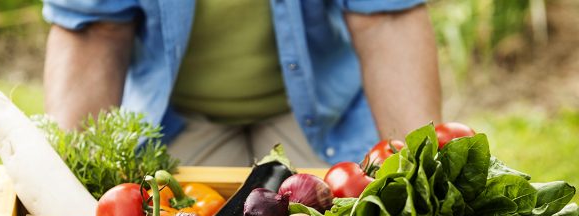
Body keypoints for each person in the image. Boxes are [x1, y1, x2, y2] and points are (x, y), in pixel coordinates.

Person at [42, 0, 442, 168]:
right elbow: (95, 30)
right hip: (175, 117)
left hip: (323, 113)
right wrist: (64, 185)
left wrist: (422, 174)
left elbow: (384, 19)